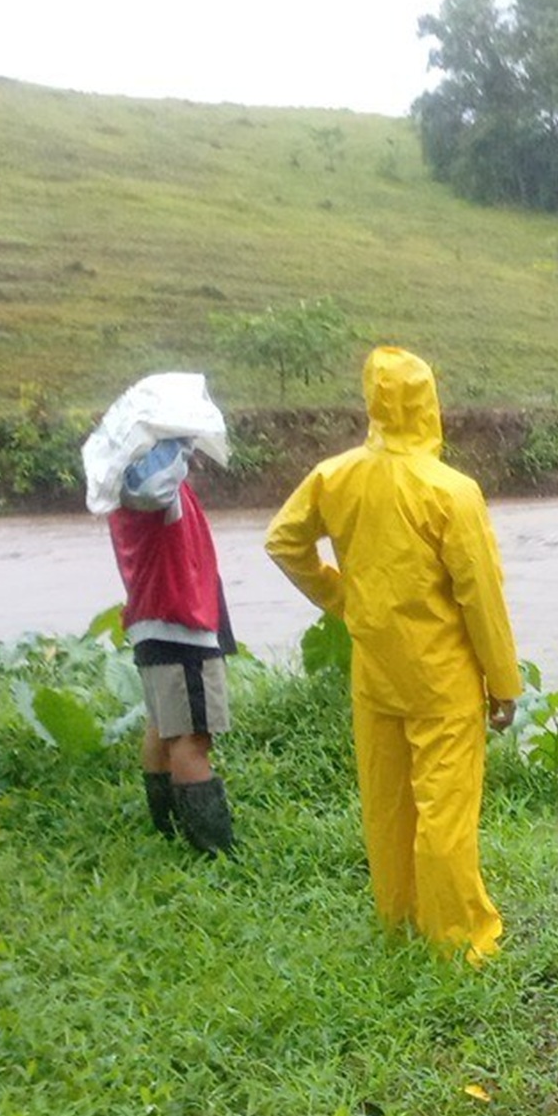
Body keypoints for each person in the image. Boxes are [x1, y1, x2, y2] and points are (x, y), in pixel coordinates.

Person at [264, 346, 521, 964]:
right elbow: (480, 595)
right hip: (443, 678)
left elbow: (284, 542)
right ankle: (458, 938)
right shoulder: (451, 492)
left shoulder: (335, 477)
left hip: (375, 671)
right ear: (429, 404)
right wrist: (503, 682)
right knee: (445, 810)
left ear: (372, 403)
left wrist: (344, 598)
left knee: (388, 802)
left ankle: (398, 916)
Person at [82, 371, 238, 856]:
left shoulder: (123, 490)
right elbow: (157, 479)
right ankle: (213, 852)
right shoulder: (145, 486)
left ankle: (168, 834)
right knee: (193, 738)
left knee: (163, 727)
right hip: (179, 623)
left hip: (155, 622)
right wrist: (179, 436)